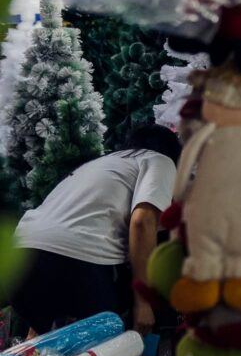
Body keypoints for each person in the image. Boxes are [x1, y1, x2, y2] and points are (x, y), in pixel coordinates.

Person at [9, 125, 181, 337]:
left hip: (20, 259)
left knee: (45, 351)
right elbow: (142, 222)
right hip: (74, 257)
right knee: (106, 346)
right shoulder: (159, 160)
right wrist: (143, 304)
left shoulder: (96, 165)